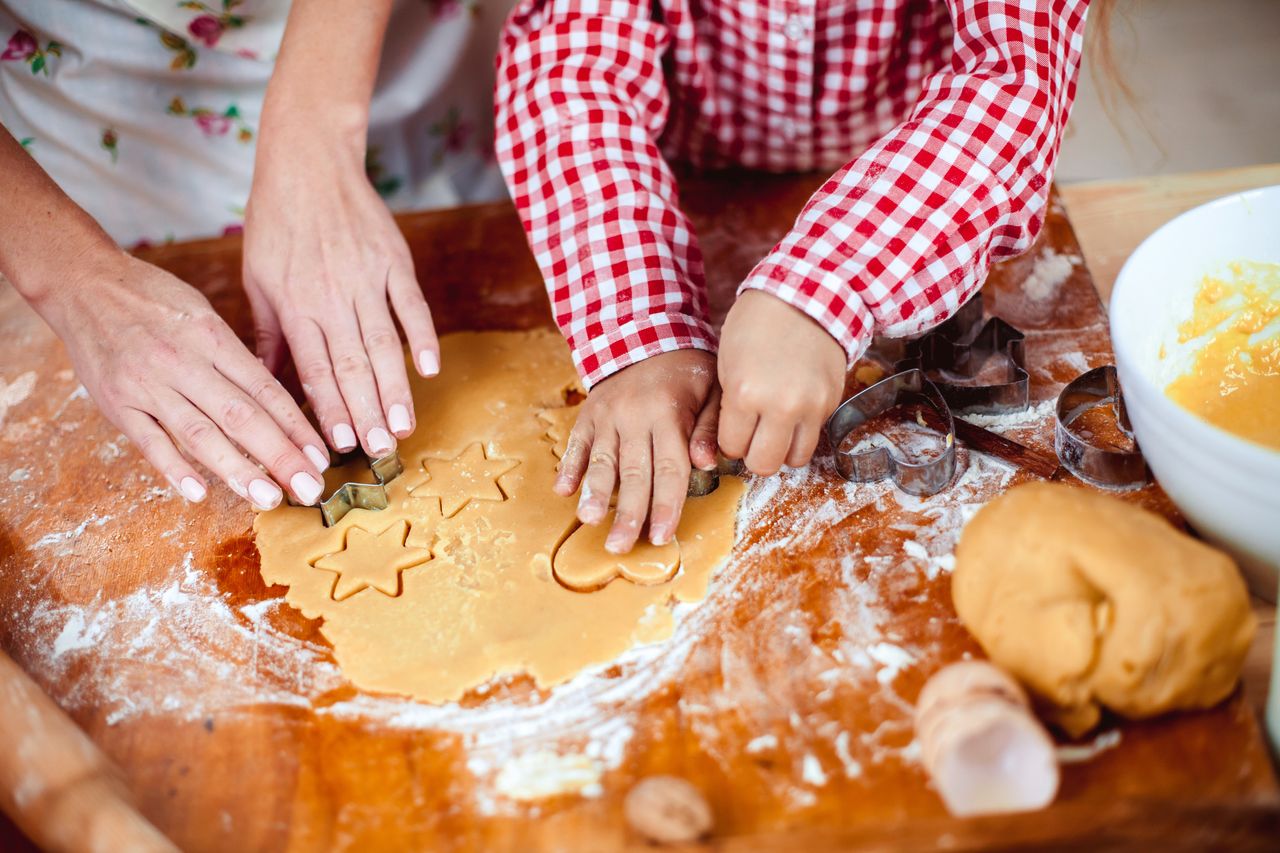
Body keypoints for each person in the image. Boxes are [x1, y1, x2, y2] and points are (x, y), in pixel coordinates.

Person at [495, 0, 1091, 554]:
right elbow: (571, 70)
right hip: (667, 176)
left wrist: (828, 287)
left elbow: (1013, 77)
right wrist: (643, 327)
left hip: (913, 190)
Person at [0, 0, 514, 508]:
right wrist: (72, 277)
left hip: (371, 53)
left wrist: (320, 129)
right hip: (103, 117)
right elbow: (66, 271)